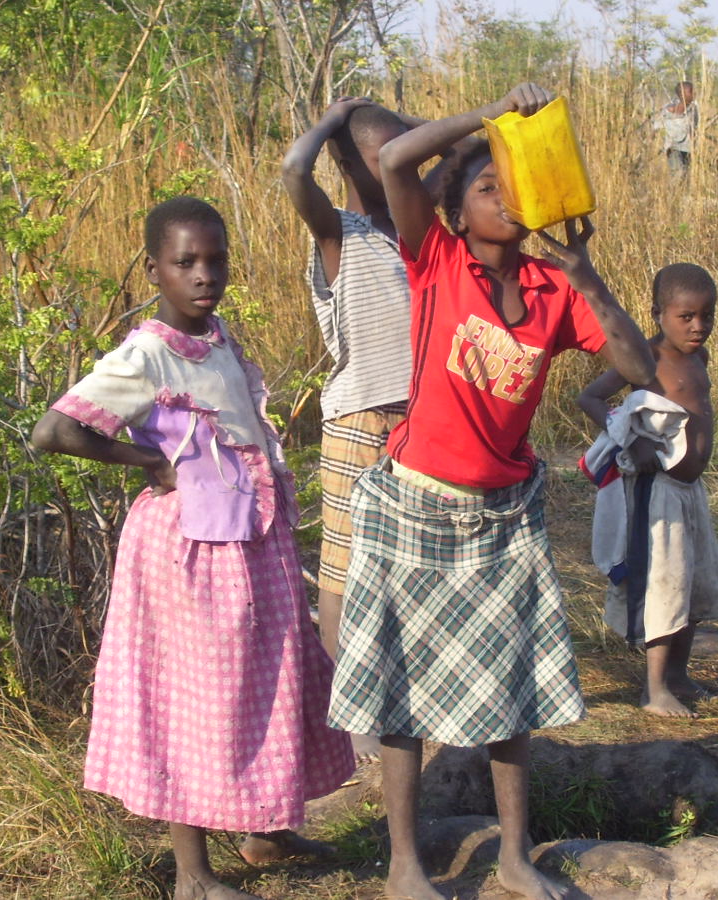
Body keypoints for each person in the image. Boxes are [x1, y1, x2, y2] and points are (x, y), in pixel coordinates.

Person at [326, 84, 655, 900]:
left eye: (512, 180)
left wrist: (588, 272)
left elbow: (642, 369)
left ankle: (514, 855)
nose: (503, 196)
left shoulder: (553, 287)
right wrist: (495, 117)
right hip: (413, 500)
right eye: (484, 185)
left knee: (511, 694)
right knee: (399, 693)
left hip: (503, 515)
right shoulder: (433, 258)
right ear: (456, 211)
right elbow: (399, 158)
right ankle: (405, 865)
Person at [31, 197, 354, 899]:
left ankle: (264, 828)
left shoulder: (216, 337)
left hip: (251, 541)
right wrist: (147, 462)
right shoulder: (146, 353)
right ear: (155, 269)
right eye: (185, 263)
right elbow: (54, 431)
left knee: (272, 680)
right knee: (199, 698)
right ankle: (192, 874)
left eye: (215, 260)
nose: (203, 275)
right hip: (190, 553)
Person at [281, 98, 420, 761]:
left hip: (421, 423)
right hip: (360, 416)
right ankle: (347, 711)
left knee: (408, 566)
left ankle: (403, 697)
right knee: (341, 570)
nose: (399, 164)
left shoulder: (425, 232)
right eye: (381, 156)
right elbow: (291, 172)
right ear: (347, 164)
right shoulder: (343, 233)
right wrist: (332, 122)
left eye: (407, 151)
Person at [578, 263, 718, 718]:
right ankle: (655, 689)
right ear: (658, 313)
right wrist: (630, 435)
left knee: (693, 582)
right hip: (657, 491)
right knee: (664, 584)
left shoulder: (699, 358)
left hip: (690, 490)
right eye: (686, 317)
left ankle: (679, 676)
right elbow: (588, 397)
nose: (698, 327)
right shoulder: (645, 358)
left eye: (707, 315)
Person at [656, 81, 698, 178]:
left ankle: (682, 193)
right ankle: (673, 192)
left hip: (687, 149)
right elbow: (657, 127)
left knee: (686, 175)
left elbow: (694, 128)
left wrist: (694, 146)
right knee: (678, 174)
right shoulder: (669, 110)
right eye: (691, 91)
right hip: (673, 148)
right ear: (682, 94)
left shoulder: (693, 109)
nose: (694, 94)